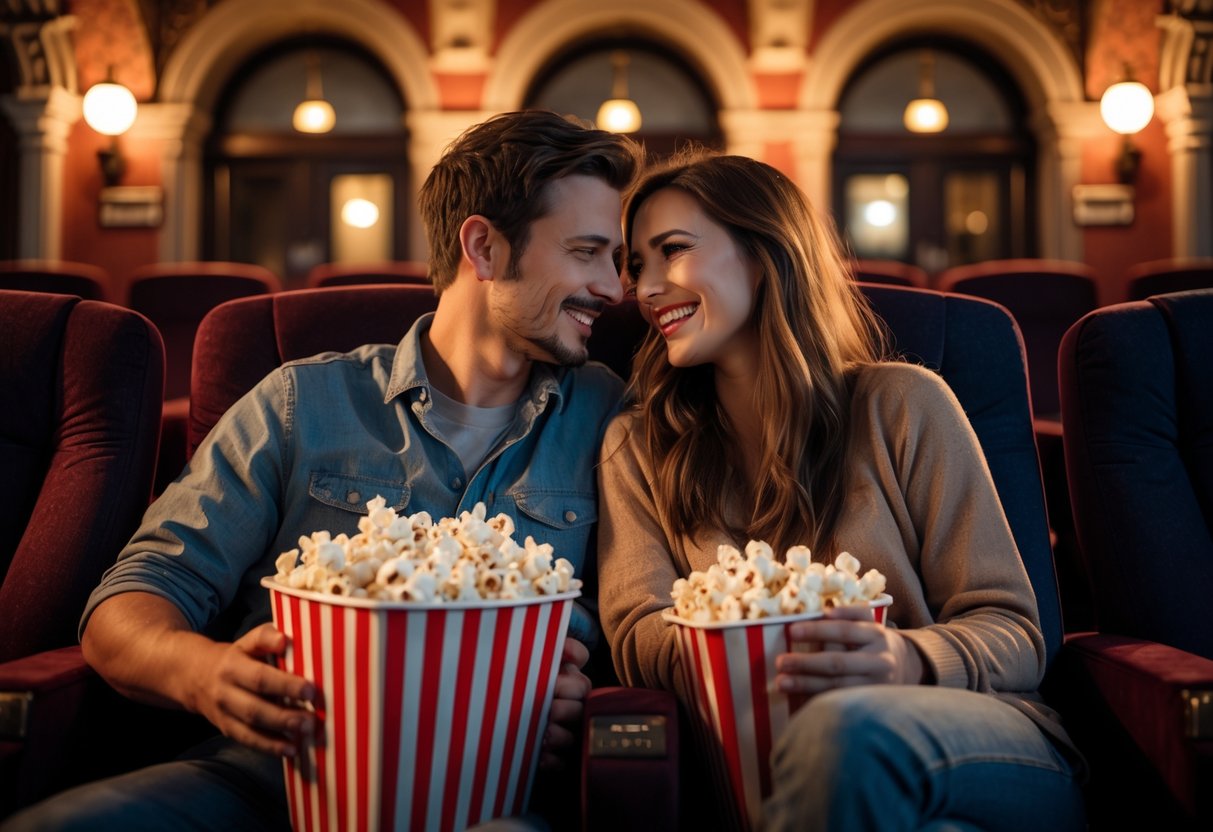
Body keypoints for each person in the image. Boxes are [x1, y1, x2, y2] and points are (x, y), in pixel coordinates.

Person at [5, 110, 642, 831]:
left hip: (492, 796)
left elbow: (649, 616)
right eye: (588, 253)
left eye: (616, 260)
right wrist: (207, 674)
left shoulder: (612, 419)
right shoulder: (299, 402)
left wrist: (578, 689)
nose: (613, 289)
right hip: (269, 776)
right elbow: (127, 605)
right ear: (484, 246)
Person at [596, 151, 1086, 832]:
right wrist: (759, 636)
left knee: (846, 730)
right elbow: (636, 634)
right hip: (769, 766)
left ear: (766, 252)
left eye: (671, 251)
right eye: (635, 266)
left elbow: (1013, 634)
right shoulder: (637, 445)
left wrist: (904, 656)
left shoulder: (904, 403)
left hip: (978, 737)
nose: (646, 289)